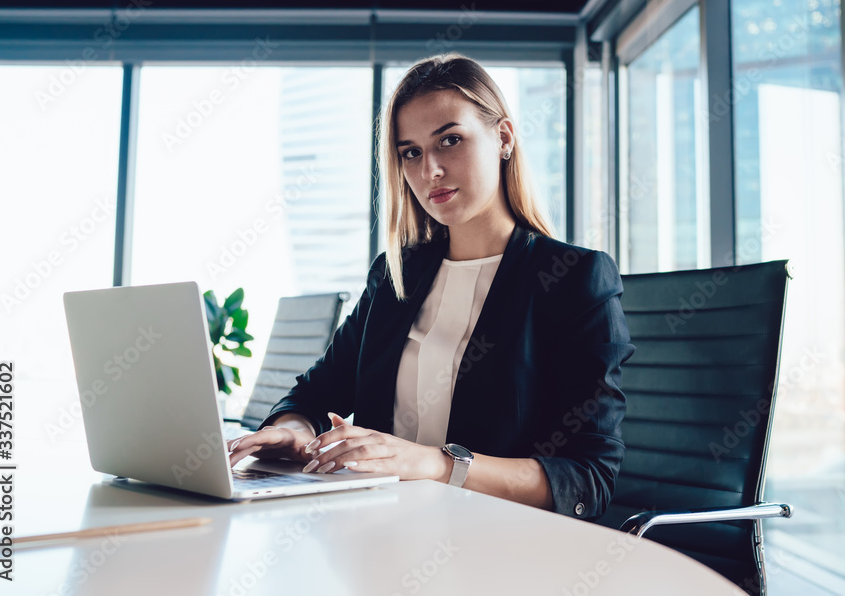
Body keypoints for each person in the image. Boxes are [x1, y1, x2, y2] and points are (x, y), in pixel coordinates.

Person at [226, 53, 636, 521]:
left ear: (503, 138)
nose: (430, 171)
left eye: (450, 140)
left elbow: (587, 478)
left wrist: (435, 464)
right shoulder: (395, 276)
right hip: (381, 531)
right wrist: (292, 429)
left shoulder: (572, 279)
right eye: (411, 152)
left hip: (500, 544)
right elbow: (314, 395)